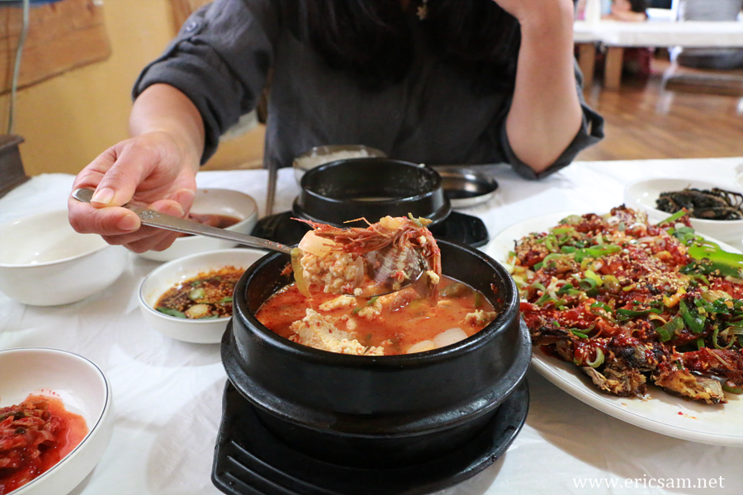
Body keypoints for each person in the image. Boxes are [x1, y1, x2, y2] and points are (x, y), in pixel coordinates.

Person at [68, 0, 604, 254]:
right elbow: (193, 73)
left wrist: (548, 17)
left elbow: (540, 154)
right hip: (304, 232)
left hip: (472, 235)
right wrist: (166, 142)